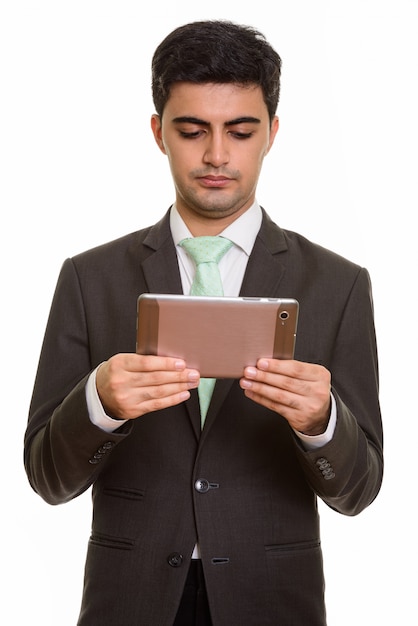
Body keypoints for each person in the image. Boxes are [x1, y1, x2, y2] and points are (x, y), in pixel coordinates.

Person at [24, 20, 383, 626]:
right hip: (130, 599)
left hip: (271, 599)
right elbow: (47, 478)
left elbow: (359, 491)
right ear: (159, 132)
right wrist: (99, 402)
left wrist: (321, 422)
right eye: (192, 131)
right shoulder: (90, 278)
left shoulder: (339, 283)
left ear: (271, 133)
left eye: (240, 132)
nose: (217, 155)